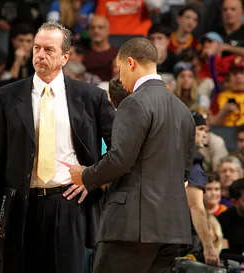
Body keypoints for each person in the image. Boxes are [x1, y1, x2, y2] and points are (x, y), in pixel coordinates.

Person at [0, 21, 115, 273]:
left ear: (65, 57)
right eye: (36, 48)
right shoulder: (6, 96)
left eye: (49, 50)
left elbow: (118, 148)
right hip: (21, 204)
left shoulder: (91, 97)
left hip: (69, 204)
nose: (40, 55)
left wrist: (92, 178)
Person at [70, 37, 195, 273]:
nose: (119, 77)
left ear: (131, 63)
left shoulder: (133, 103)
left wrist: (85, 175)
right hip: (172, 228)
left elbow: (119, 160)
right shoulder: (183, 110)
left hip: (134, 227)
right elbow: (185, 174)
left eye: (119, 69)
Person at [184, 111, 220, 266]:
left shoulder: (171, 156)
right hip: (186, 242)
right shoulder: (193, 162)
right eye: (201, 129)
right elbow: (195, 206)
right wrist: (208, 246)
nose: (205, 134)